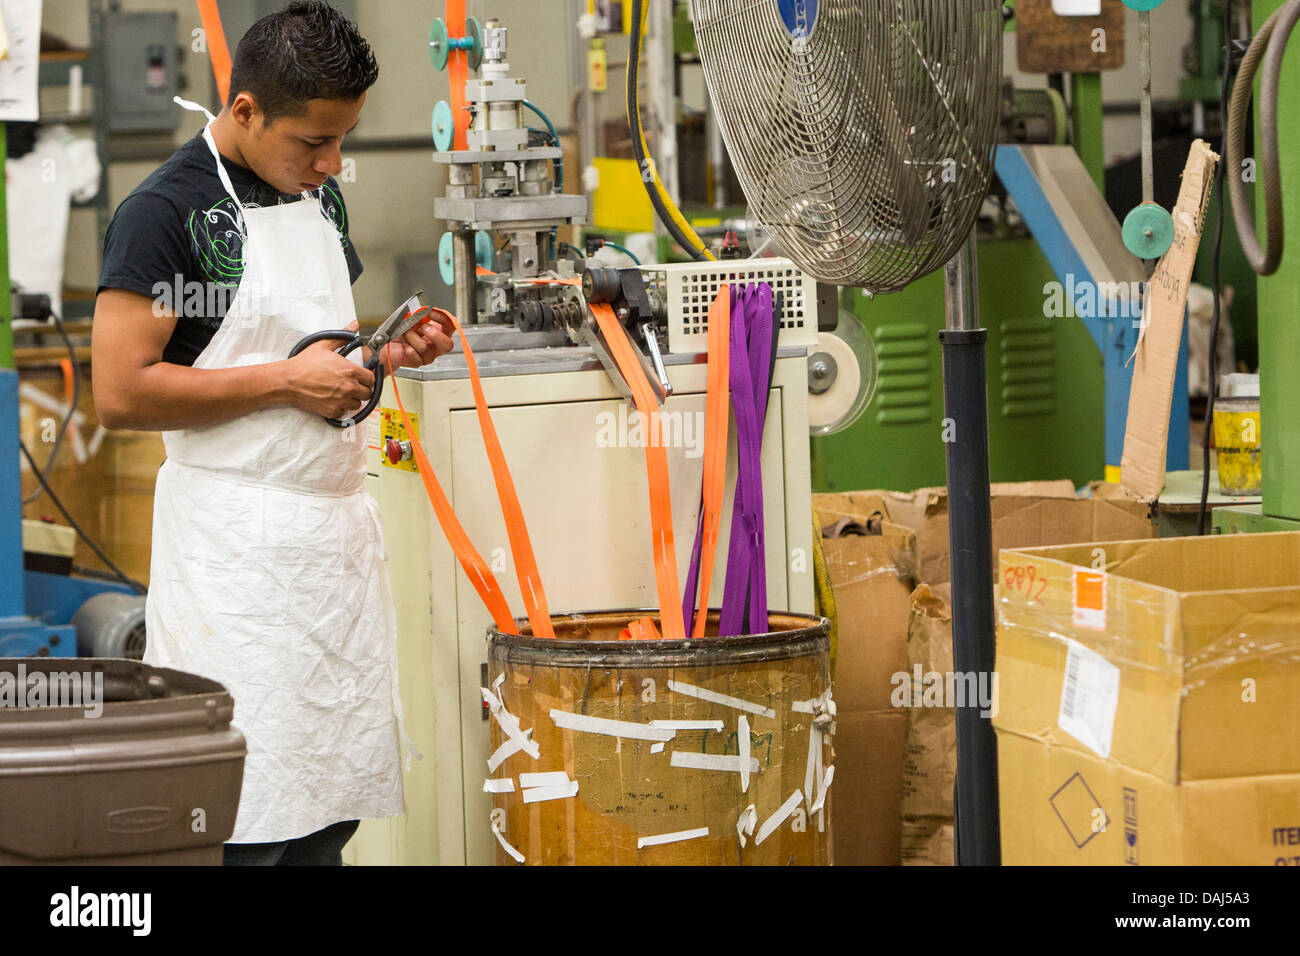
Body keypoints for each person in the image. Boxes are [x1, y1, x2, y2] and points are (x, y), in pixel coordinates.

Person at [91, 2, 453, 865]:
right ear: (245, 110)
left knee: (326, 816)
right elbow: (122, 392)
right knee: (247, 818)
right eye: (311, 144)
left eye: (342, 142)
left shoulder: (317, 201)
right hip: (234, 563)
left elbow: (315, 346)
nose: (331, 166)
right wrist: (290, 382)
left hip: (328, 557)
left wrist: (385, 354)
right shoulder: (165, 216)